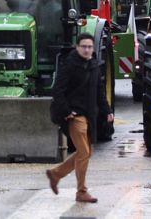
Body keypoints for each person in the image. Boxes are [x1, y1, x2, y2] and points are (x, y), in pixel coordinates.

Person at [46, 33, 114, 203]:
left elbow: (99, 92)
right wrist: (67, 111)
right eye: (83, 46)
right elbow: (58, 91)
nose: (87, 49)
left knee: (86, 152)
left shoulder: (94, 66)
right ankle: (81, 192)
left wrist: (107, 111)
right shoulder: (69, 65)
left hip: (89, 115)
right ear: (77, 47)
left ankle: (56, 174)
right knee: (84, 152)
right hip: (74, 116)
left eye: (90, 47)